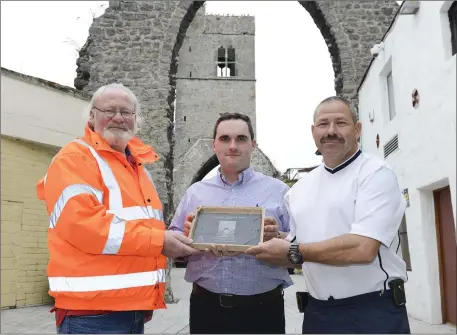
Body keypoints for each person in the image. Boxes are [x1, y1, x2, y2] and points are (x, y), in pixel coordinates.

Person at [36, 83, 198, 334]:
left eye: (126, 112)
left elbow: (143, 228)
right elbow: (85, 227)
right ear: (92, 116)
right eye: (109, 110)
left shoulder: (137, 168)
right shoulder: (75, 158)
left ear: (136, 120)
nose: (119, 118)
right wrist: (161, 241)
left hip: (130, 310)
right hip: (91, 315)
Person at [246, 96, 411, 334]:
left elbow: (363, 248)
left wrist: (293, 251)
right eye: (323, 124)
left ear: (357, 130)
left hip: (373, 313)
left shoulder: (376, 174)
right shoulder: (299, 190)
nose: (331, 131)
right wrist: (275, 239)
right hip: (318, 316)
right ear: (313, 131)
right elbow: (296, 250)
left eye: (340, 123)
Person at [168, 112, 293, 334]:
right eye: (225, 139)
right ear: (214, 145)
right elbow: (172, 247)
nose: (233, 146)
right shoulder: (195, 193)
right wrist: (187, 239)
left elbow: (300, 248)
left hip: (264, 312)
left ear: (253, 144)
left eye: (241, 139)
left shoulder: (279, 191)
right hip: (207, 310)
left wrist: (279, 238)